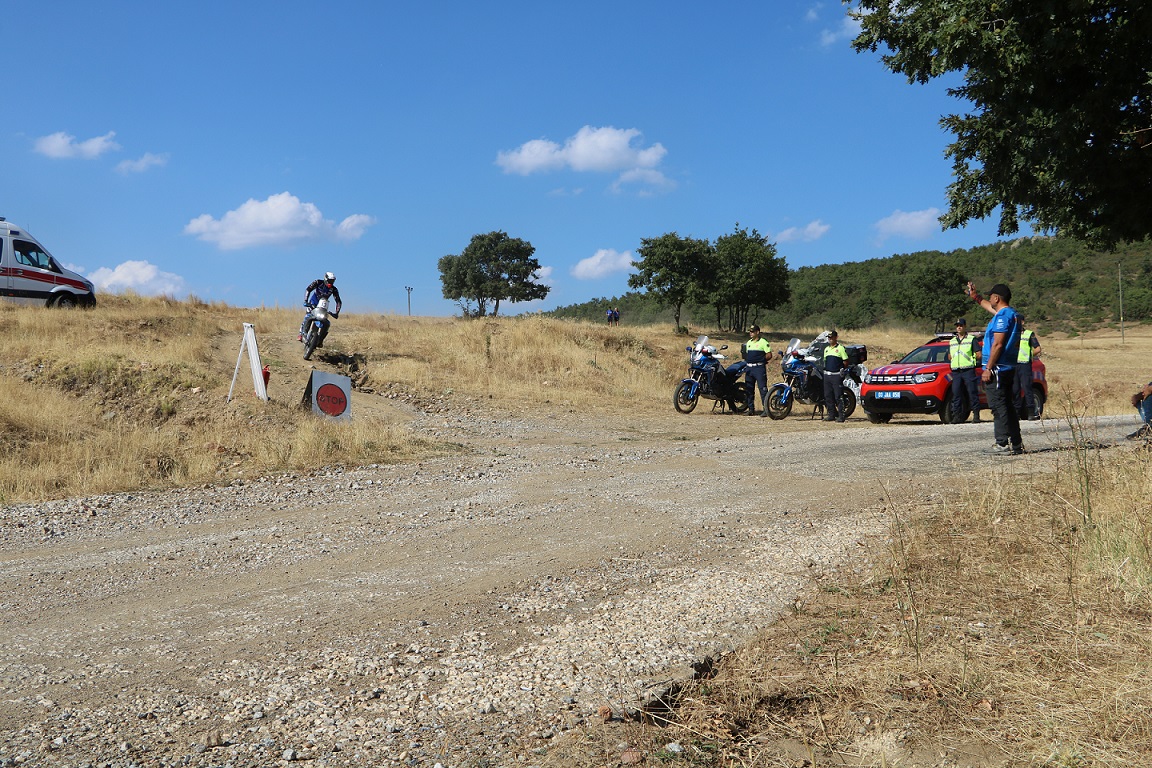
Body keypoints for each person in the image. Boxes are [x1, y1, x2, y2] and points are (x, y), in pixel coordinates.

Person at [967, 281, 1023, 455]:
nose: (989, 298)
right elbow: (989, 307)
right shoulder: (1011, 314)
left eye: (991, 296)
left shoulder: (1002, 317)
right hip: (1007, 367)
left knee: (998, 406)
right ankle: (1016, 443)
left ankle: (1002, 443)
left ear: (997, 298)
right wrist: (975, 297)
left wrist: (988, 368)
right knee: (1007, 405)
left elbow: (998, 344)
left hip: (998, 368)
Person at [948, 318, 982, 424]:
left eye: (961, 325)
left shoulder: (971, 339)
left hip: (968, 369)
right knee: (956, 393)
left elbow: (979, 354)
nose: (959, 327)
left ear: (965, 326)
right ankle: (956, 416)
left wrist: (971, 361)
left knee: (972, 392)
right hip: (956, 371)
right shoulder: (952, 341)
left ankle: (976, 415)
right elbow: (949, 355)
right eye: (957, 325)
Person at [299, 272, 342, 346]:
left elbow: (338, 301)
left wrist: (336, 313)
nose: (331, 283)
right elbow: (308, 289)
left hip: (323, 307)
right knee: (308, 316)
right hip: (313, 303)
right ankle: (302, 333)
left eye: (332, 281)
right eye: (330, 281)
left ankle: (320, 340)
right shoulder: (318, 282)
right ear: (325, 279)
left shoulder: (333, 289)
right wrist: (306, 301)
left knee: (327, 323)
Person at [743, 325, 772, 417]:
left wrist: (762, 359)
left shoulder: (763, 342)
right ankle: (751, 409)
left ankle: (765, 409)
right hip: (749, 368)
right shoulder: (749, 343)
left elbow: (769, 354)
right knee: (749, 389)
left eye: (752, 331)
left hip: (759, 368)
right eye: (750, 332)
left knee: (762, 389)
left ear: (757, 332)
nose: (750, 333)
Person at [1015, 320, 1042, 420]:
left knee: (1027, 388)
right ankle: (1016, 413)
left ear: (1022, 322)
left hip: (1024, 364)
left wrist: (1029, 356)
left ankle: (1031, 412)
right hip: (1014, 365)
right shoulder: (1011, 334)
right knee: (1015, 389)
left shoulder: (1029, 334)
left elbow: (1037, 348)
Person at [822, 330, 850, 422]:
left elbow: (845, 361)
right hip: (827, 375)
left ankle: (841, 416)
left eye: (832, 337)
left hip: (836, 375)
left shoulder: (841, 348)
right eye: (829, 337)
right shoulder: (826, 349)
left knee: (838, 395)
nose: (830, 339)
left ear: (836, 338)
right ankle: (831, 414)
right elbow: (825, 361)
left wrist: (841, 370)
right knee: (828, 395)